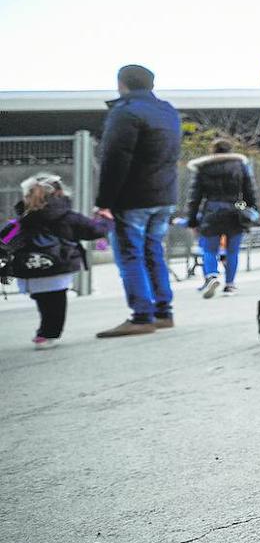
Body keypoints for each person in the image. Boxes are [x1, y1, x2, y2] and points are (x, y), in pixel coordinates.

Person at [94, 64, 182, 338]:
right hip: (163, 196)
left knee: (131, 255)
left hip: (134, 198)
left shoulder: (125, 112)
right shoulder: (168, 111)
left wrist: (104, 201)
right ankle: (163, 312)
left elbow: (115, 159)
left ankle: (141, 316)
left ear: (121, 84)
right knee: (153, 251)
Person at [6, 175, 109, 348]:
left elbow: (6, 238)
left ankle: (45, 332)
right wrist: (106, 220)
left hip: (31, 269)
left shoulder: (22, 219)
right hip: (59, 266)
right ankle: (47, 334)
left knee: (43, 301)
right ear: (60, 193)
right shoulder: (69, 217)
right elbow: (95, 231)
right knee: (56, 301)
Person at [186, 139, 259, 298]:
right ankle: (230, 285)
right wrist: (251, 208)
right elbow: (250, 191)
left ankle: (211, 275)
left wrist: (192, 218)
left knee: (209, 249)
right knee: (232, 251)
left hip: (211, 211)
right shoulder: (240, 166)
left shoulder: (203, 168)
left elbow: (194, 196)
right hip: (235, 210)